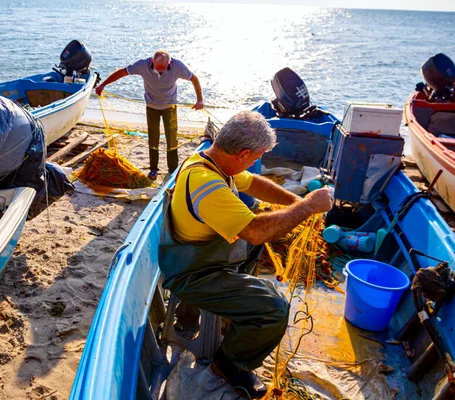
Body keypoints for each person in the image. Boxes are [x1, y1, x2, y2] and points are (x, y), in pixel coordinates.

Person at [158, 110, 332, 398]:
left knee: (255, 242)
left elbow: (253, 183)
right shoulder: (206, 182)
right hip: (192, 274)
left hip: (204, 258)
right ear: (242, 153)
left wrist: (296, 200)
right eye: (255, 157)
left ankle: (232, 320)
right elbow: (255, 232)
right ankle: (228, 365)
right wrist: (307, 208)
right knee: (274, 310)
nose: (253, 164)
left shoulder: (213, 161)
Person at [95, 50, 204, 180]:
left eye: (165, 68)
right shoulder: (142, 65)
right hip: (151, 107)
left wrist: (200, 100)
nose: (162, 71)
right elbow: (122, 72)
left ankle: (173, 169)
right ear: (152, 61)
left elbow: (194, 78)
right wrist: (102, 85)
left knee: (172, 138)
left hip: (170, 107)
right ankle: (153, 169)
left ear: (170, 62)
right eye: (159, 68)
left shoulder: (177, 66)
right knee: (153, 138)